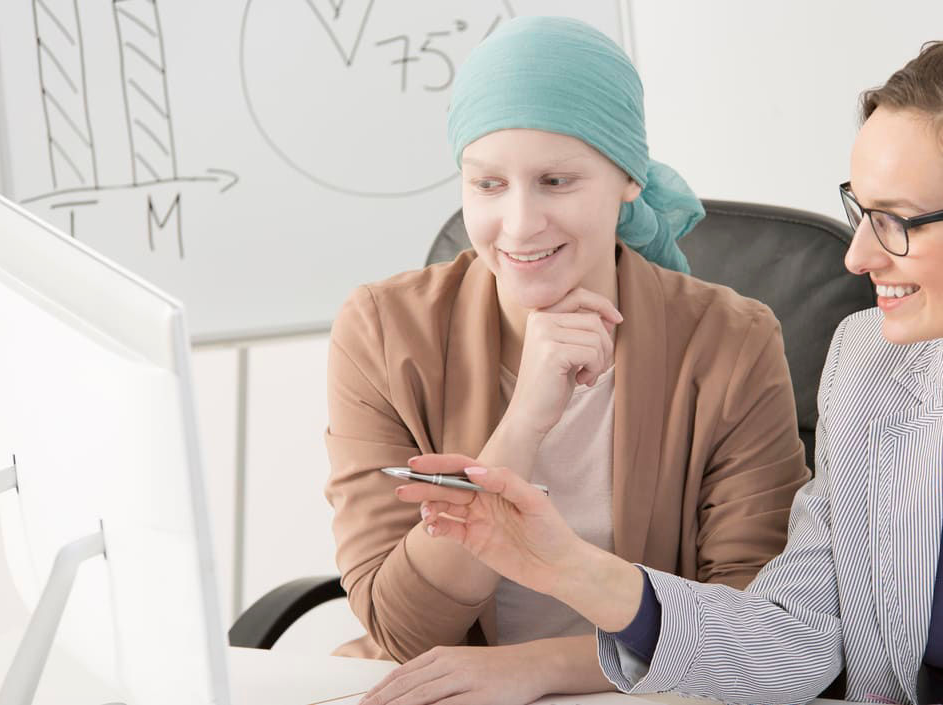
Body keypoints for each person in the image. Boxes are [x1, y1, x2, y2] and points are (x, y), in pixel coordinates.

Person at [394, 39, 943, 705]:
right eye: (858, 209)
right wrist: (569, 569)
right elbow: (799, 634)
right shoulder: (869, 362)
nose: (857, 253)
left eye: (896, 220)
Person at [323, 16, 811, 705]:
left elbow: (748, 628)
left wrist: (541, 666)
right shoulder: (381, 329)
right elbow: (403, 627)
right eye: (488, 185)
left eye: (556, 180)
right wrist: (524, 420)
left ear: (628, 180)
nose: (519, 224)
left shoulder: (732, 341)